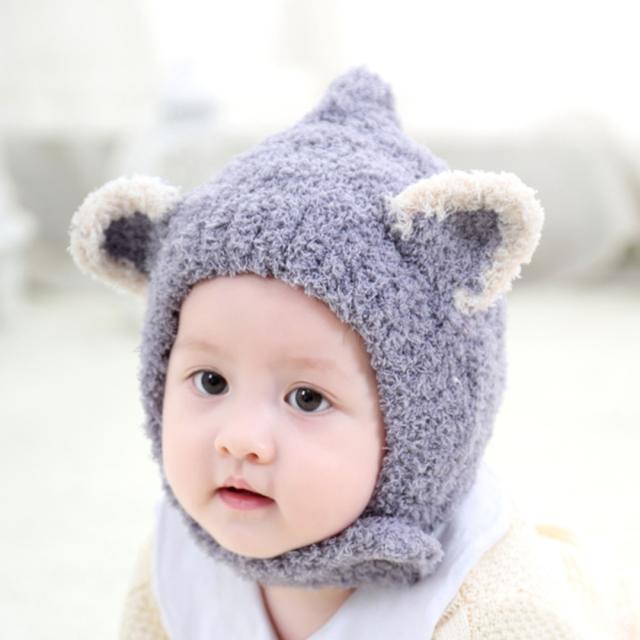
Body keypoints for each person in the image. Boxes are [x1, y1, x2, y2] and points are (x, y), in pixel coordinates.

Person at [68, 67, 634, 639]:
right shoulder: (176, 566)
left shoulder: (494, 611)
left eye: (307, 398)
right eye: (211, 381)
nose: (239, 440)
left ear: (421, 429)